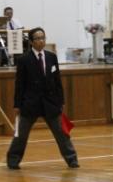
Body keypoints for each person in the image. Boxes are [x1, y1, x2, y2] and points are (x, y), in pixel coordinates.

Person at [6, 27, 79, 170]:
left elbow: (57, 81)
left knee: (62, 133)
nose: (41, 41)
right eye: (38, 38)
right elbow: (19, 84)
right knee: (21, 135)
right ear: (31, 42)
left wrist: (61, 101)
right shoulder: (24, 60)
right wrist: (17, 104)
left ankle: (72, 159)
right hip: (30, 102)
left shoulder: (52, 57)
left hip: (51, 102)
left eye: (43, 38)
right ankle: (13, 160)